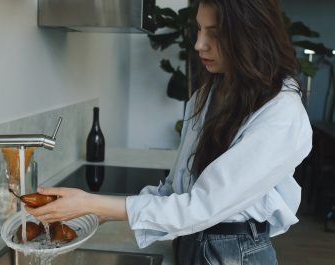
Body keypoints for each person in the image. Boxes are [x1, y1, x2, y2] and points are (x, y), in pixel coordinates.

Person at [26, 0, 313, 264]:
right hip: (191, 243)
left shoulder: (282, 114)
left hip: (234, 254)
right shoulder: (210, 93)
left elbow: (201, 206)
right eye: (199, 29)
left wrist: (97, 203)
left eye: (215, 33)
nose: (199, 44)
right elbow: (175, 189)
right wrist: (100, 210)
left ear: (251, 35)